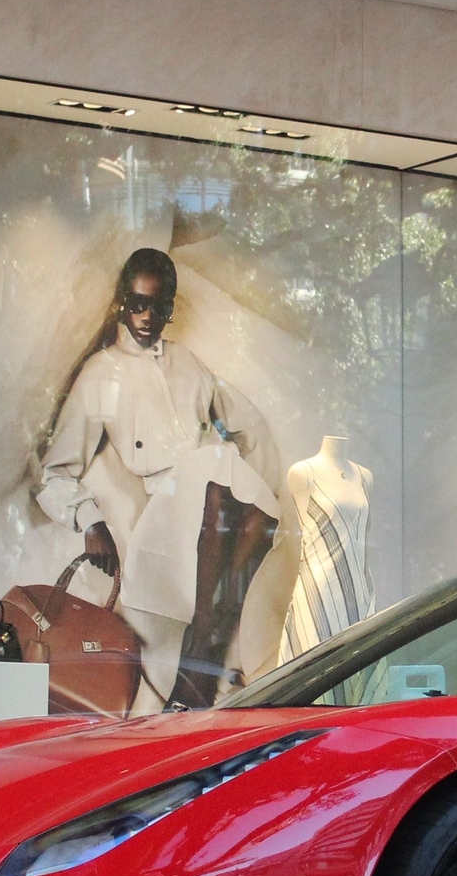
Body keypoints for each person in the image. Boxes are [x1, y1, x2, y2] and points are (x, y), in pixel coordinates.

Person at [36, 249, 282, 710]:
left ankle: (199, 665)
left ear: (171, 307)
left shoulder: (188, 362)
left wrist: (262, 481)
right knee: (214, 492)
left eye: (159, 307)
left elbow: (248, 422)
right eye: (137, 304)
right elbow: (54, 472)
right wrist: (90, 521)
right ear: (121, 303)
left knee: (257, 514)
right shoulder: (101, 374)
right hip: (170, 512)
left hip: (222, 491)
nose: (147, 317)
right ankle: (200, 658)